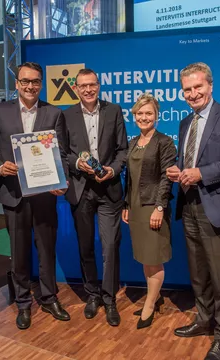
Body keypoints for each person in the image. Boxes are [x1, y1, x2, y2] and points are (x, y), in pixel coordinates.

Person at [166, 62, 220, 360]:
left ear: (210, 85)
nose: (193, 94)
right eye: (187, 89)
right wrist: (180, 171)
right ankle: (204, 320)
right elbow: (190, 160)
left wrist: (202, 173)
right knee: (199, 273)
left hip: (218, 208)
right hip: (188, 206)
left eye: (197, 87)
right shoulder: (185, 123)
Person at [0, 62, 70, 331]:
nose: (30, 86)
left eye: (35, 81)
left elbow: (63, 154)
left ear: (41, 83)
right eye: (25, 81)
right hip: (14, 195)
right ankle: (23, 302)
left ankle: (48, 297)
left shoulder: (54, 113)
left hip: (45, 195)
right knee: (19, 253)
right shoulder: (1, 110)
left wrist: (61, 180)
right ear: (17, 83)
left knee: (46, 249)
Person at [63, 68, 128, 326]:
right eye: (83, 86)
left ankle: (109, 298)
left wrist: (113, 169)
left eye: (92, 85)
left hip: (109, 189)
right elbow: (62, 152)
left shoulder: (114, 111)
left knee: (110, 247)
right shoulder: (66, 115)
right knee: (85, 246)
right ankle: (92, 294)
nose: (88, 90)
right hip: (81, 190)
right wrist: (78, 164)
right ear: (76, 88)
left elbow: (123, 149)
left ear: (99, 85)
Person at [121, 93, 176, 329]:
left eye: (149, 113)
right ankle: (156, 297)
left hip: (153, 208)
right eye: (140, 113)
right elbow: (130, 178)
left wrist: (160, 207)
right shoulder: (133, 142)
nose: (144, 117)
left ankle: (150, 306)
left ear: (157, 115)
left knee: (154, 258)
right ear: (134, 116)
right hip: (135, 206)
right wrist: (126, 204)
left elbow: (167, 177)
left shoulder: (164, 142)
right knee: (145, 256)